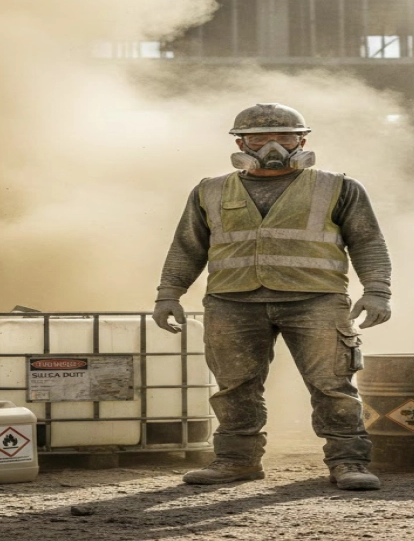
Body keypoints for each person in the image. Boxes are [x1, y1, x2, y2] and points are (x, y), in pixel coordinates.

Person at [152, 103, 393, 491]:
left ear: (302, 140)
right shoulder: (209, 190)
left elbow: (368, 241)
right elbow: (187, 247)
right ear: (240, 142)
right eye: (260, 138)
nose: (273, 146)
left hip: (316, 299)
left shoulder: (339, 187)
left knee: (333, 385)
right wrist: (168, 294)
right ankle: (236, 460)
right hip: (232, 300)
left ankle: (348, 461)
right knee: (234, 387)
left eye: (284, 136)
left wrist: (378, 291)